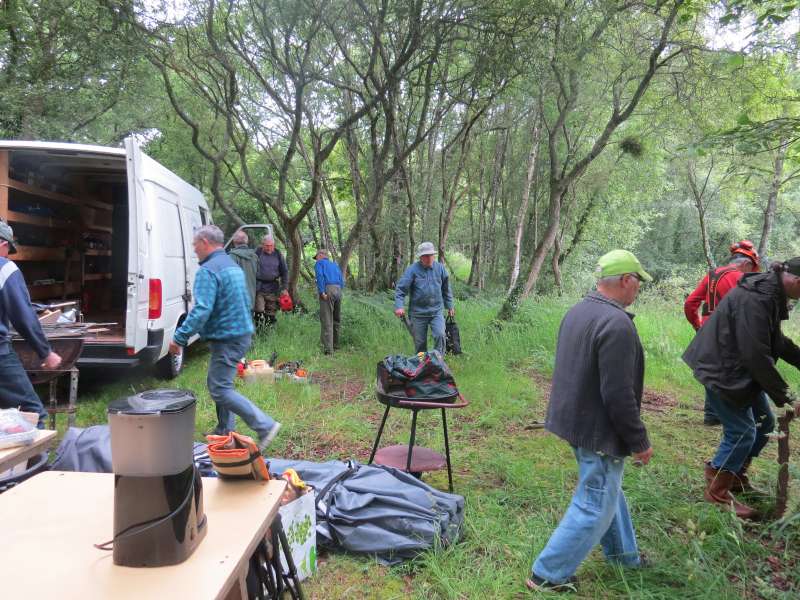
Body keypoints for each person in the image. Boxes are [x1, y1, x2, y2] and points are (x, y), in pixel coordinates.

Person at [528, 249, 653, 593]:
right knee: (594, 503)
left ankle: (624, 556)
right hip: (596, 429)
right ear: (626, 280)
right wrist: (639, 441)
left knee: (606, 492)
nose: (638, 288)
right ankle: (547, 575)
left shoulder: (579, 311)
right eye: (638, 281)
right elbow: (618, 394)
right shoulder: (617, 325)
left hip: (573, 420)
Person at [683, 259, 800, 519]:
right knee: (742, 432)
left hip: (736, 368)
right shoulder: (757, 298)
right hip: (720, 368)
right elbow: (756, 355)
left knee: (764, 425)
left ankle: (734, 477)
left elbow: (775, 340)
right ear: (797, 282)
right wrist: (789, 397)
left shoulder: (770, 292)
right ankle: (717, 493)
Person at [169, 225, 280, 450]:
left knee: (219, 388)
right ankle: (225, 431)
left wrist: (179, 338)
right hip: (239, 333)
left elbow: (201, 310)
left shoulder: (209, 270)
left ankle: (265, 426)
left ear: (206, 243)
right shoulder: (231, 266)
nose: (194, 248)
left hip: (229, 337)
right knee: (220, 383)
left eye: (195, 244)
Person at [684, 240, 760, 426]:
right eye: (752, 269)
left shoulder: (713, 275)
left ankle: (712, 414)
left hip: (708, 329)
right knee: (730, 372)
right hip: (730, 332)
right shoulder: (742, 279)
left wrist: (697, 325)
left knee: (711, 370)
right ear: (746, 264)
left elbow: (690, 303)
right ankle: (739, 413)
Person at [0, 221, 62, 427]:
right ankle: (38, 459)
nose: (8, 255)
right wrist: (45, 352)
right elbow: (23, 315)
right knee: (32, 414)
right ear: (2, 243)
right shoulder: (5, 268)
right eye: (8, 249)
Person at [394, 242, 454, 355]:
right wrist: (399, 306)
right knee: (420, 343)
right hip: (418, 314)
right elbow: (400, 290)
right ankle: (421, 365)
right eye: (426, 255)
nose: (429, 258)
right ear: (421, 257)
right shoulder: (412, 270)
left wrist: (450, 306)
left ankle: (438, 363)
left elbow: (446, 289)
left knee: (440, 335)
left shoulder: (440, 269)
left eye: (431, 255)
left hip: (436, 311)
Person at [254, 235, 288, 328]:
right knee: (259, 309)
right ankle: (259, 330)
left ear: (274, 245)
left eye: (271, 245)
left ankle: (269, 331)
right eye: (267, 245)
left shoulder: (278, 254)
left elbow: (284, 272)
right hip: (259, 287)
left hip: (273, 287)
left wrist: (284, 288)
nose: (269, 248)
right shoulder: (257, 252)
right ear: (262, 245)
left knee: (271, 310)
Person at [314, 248, 344, 355]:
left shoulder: (319, 264)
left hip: (328, 289)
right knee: (336, 319)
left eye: (316, 257)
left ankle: (328, 350)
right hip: (338, 290)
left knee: (327, 319)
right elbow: (341, 280)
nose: (316, 259)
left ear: (321, 255)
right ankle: (336, 345)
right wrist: (340, 290)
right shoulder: (335, 265)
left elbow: (320, 277)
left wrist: (322, 291)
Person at [227, 230, 258, 311]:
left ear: (234, 241)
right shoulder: (254, 257)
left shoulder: (231, 257)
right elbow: (259, 276)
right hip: (251, 299)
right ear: (246, 241)